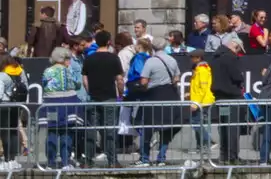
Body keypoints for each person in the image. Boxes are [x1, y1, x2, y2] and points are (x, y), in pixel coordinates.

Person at [133, 38, 182, 168]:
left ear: (152, 48)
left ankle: (144, 158)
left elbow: (144, 81)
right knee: (166, 129)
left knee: (148, 128)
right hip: (170, 95)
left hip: (154, 96)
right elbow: (177, 77)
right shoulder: (172, 60)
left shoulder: (151, 61)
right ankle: (161, 158)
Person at [80, 30, 123, 168]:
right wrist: (120, 94)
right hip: (109, 97)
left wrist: (90, 91)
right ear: (109, 41)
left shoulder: (89, 58)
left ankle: (88, 161)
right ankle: (112, 161)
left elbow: (85, 79)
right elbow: (119, 79)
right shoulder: (114, 58)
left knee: (91, 130)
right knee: (110, 130)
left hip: (93, 97)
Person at [41, 47, 79, 170]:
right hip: (68, 103)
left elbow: (44, 84)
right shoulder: (69, 70)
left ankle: (50, 162)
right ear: (63, 58)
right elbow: (77, 84)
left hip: (51, 104)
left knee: (52, 131)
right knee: (66, 132)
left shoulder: (47, 71)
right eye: (68, 58)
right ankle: (65, 162)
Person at [212, 35, 247, 166]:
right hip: (232, 96)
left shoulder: (215, 57)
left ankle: (223, 155)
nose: (238, 53)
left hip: (219, 97)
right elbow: (237, 76)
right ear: (235, 46)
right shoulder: (230, 58)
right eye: (238, 50)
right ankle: (233, 156)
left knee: (224, 127)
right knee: (233, 127)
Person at [0, 56, 27, 169]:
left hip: (4, 105)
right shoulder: (20, 72)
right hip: (16, 105)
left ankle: (6, 161)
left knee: (5, 133)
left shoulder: (2, 75)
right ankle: (13, 159)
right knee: (14, 132)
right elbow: (26, 86)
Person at [188, 48, 214, 156]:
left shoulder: (202, 70)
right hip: (199, 100)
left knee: (196, 123)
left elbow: (203, 88)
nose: (191, 60)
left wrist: (195, 103)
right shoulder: (198, 69)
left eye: (193, 57)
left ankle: (209, 142)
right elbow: (197, 87)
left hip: (202, 102)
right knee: (199, 123)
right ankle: (200, 147)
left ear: (198, 58)